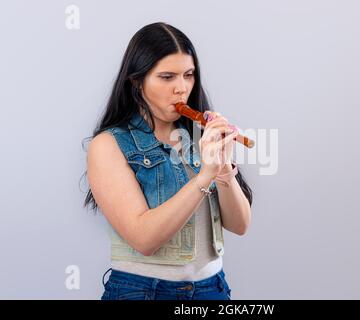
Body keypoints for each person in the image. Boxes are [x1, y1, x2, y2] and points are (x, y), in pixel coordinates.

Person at [83, 22, 253, 300]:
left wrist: (223, 170)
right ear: (137, 81)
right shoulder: (108, 145)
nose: (181, 88)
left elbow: (239, 225)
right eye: (166, 77)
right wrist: (203, 176)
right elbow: (144, 239)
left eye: (188, 75)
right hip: (143, 291)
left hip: (213, 288)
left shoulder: (198, 137)